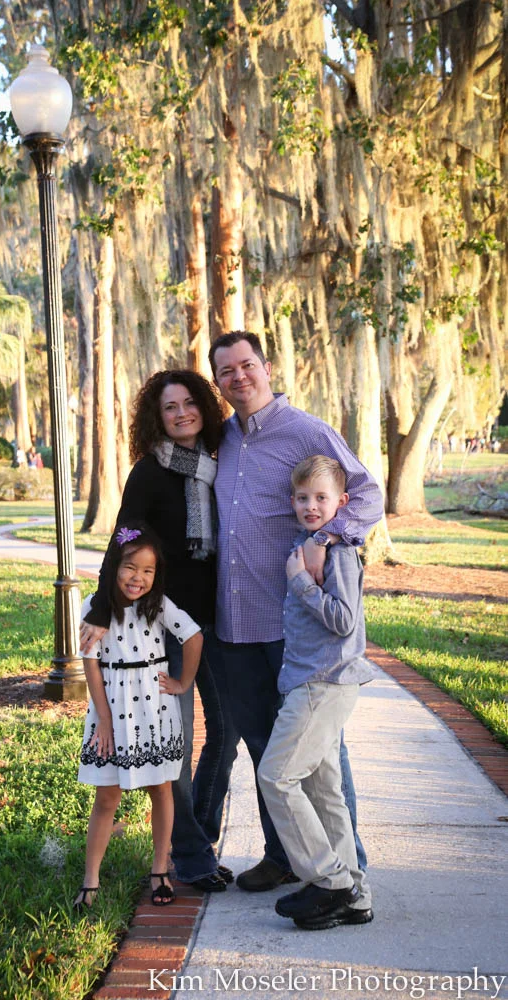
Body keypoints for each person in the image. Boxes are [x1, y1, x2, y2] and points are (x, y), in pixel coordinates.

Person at [209, 331, 385, 892]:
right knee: (265, 746)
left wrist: (327, 538)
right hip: (235, 624)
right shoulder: (222, 439)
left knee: (321, 754)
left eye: (247, 365)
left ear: (266, 367)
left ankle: (347, 869)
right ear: (218, 382)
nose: (239, 376)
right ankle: (286, 855)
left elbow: (367, 494)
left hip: (294, 626)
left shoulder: (307, 431)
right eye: (226, 371)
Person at [80, 370, 239, 893]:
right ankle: (190, 856)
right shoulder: (149, 473)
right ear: (157, 417)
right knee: (178, 744)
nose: (181, 413)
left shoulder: (220, 466)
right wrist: (101, 605)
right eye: (170, 407)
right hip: (167, 625)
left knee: (227, 733)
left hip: (217, 620)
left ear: (204, 409)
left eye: (189, 403)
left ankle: (197, 836)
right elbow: (124, 536)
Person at [258, 456, 377, 929]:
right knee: (323, 789)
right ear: (292, 501)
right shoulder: (309, 545)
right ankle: (354, 894)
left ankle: (330, 882)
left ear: (341, 502)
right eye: (303, 498)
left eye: (321, 498)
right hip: (311, 681)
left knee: (276, 776)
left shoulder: (339, 553)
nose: (311, 506)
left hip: (323, 682)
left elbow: (345, 621)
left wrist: (302, 584)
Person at [75, 523, 203, 910]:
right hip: (111, 708)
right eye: (131, 567)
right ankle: (91, 879)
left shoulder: (158, 605)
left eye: (148, 571)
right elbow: (91, 664)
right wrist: (104, 719)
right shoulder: (95, 608)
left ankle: (160, 869)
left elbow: (193, 636)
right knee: (107, 795)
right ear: (114, 565)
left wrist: (183, 682)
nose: (138, 578)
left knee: (161, 789)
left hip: (153, 708)